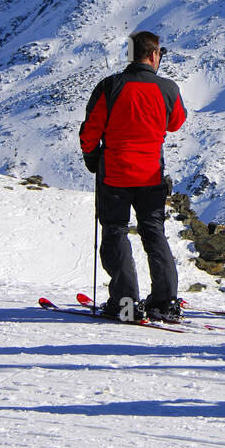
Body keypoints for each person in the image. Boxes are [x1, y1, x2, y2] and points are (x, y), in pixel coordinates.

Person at [79, 31, 187, 323]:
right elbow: (176, 122)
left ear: (131, 55)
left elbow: (90, 130)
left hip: (115, 173)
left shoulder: (110, 86)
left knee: (115, 231)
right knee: (154, 232)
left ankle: (125, 304)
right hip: (151, 174)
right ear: (153, 55)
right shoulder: (168, 88)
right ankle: (165, 301)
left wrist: (92, 158)